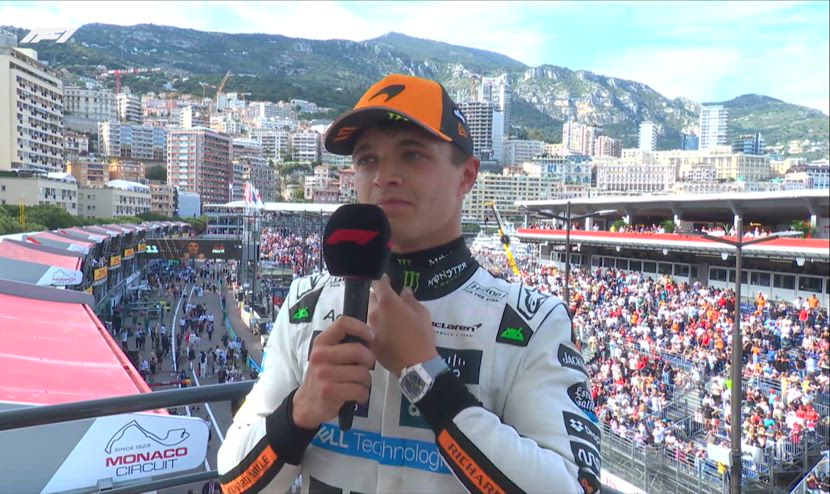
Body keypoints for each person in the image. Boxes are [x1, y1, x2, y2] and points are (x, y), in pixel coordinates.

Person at [217, 74, 601, 493]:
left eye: (413, 154)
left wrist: (425, 376)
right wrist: (300, 411)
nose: (385, 176)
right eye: (367, 159)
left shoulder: (533, 323)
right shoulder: (304, 303)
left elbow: (572, 486)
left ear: (467, 176)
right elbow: (234, 482)